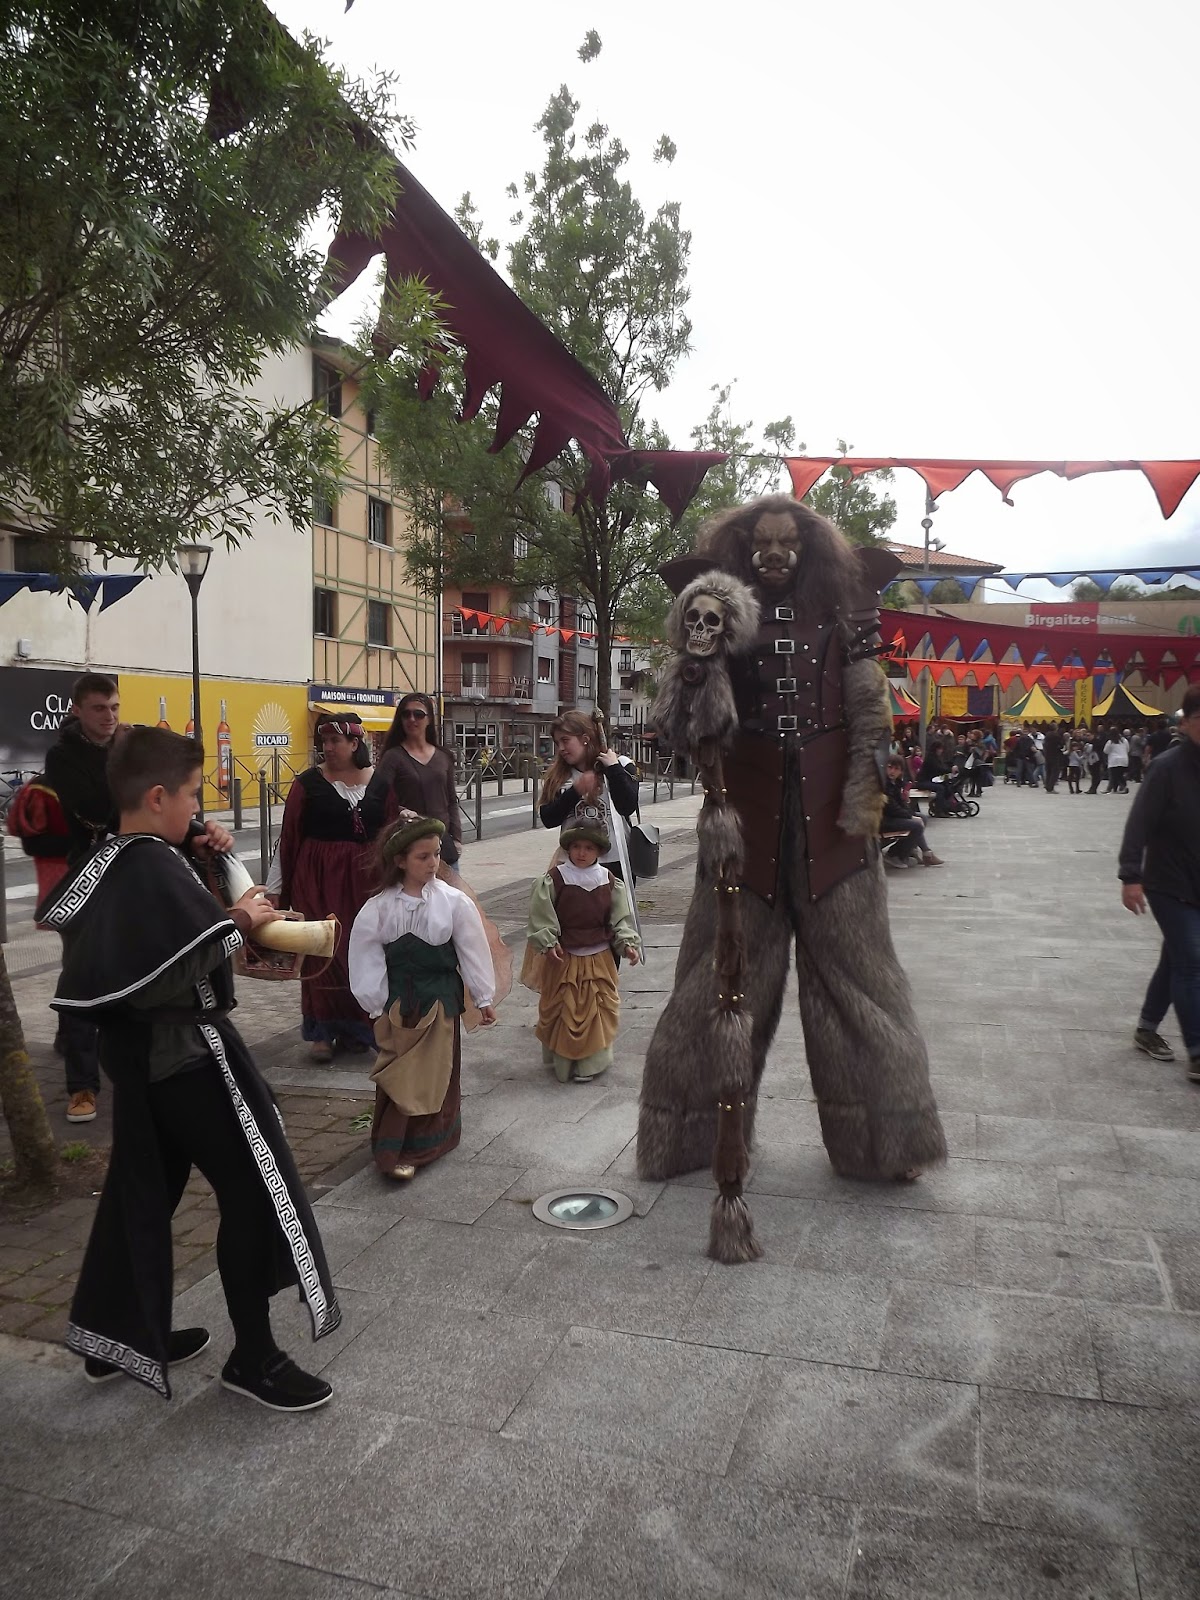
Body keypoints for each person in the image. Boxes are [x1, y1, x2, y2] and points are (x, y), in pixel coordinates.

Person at [641, 495, 946, 1266]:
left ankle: (885, 1139)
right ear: (742, 549)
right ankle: (687, 1135)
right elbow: (677, 729)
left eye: (787, 544)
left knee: (860, 984)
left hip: (834, 827)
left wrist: (866, 804)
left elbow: (871, 717)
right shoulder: (718, 612)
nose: (774, 556)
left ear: (809, 550)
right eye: (761, 544)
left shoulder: (845, 612)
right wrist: (697, 664)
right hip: (742, 827)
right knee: (714, 981)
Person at [41, 728, 340, 1408]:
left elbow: (148, 941)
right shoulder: (149, 863)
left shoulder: (115, 856)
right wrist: (239, 919)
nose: (198, 807)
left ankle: (116, 1336)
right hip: (184, 1059)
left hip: (140, 1063)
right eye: (191, 794)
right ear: (156, 797)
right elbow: (167, 969)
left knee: (143, 1191)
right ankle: (255, 1360)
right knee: (253, 1193)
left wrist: (201, 862)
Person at [348, 816, 496, 1179]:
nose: (433, 863)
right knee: (401, 1072)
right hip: (399, 1005)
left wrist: (483, 996)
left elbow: (473, 950)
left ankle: (425, 1144)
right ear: (400, 860)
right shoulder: (379, 908)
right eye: (423, 857)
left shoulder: (453, 902)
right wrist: (375, 1003)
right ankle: (394, 1143)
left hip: (439, 1003)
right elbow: (365, 956)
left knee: (433, 1072)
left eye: (436, 854)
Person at [268, 713, 376, 1062]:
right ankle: (322, 1033)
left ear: (354, 744)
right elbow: (289, 839)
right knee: (321, 951)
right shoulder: (307, 784)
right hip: (316, 881)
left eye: (335, 741)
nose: (327, 747)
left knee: (360, 951)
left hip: (364, 884)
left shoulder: (380, 783)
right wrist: (275, 889)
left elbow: (391, 833)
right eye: (324, 741)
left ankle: (358, 1030)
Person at [43, 672, 122, 1123]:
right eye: (99, 708)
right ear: (77, 710)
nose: (109, 717)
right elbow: (94, 809)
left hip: (130, 868)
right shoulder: (63, 755)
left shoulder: (125, 745)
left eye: (114, 707)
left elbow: (157, 799)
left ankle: (128, 1063)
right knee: (80, 973)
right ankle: (81, 1086)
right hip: (84, 874)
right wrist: (126, 777)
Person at [1117, 685, 1200, 1083]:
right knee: (1192, 963)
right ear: (1185, 723)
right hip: (1169, 882)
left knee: (1177, 959)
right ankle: (1198, 1050)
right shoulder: (1167, 768)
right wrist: (1130, 876)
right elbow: (1139, 823)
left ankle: (1147, 1028)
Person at [527, 800, 643, 1082]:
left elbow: (619, 918)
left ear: (599, 851)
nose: (581, 853)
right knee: (565, 1009)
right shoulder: (554, 879)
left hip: (598, 958)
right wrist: (548, 941)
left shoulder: (609, 881)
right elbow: (542, 915)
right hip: (564, 957)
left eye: (589, 848)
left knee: (596, 1011)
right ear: (568, 848)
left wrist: (627, 944)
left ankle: (591, 1063)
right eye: (577, 846)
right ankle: (565, 1062)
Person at [538, 709, 640, 883]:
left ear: (585, 739)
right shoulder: (559, 776)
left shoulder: (622, 765)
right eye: (557, 743)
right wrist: (576, 791)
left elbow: (627, 806)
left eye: (565, 740)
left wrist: (613, 769)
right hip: (573, 867)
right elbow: (548, 818)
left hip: (616, 862)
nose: (561, 748)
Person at [367, 693, 462, 872]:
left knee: (452, 890)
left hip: (443, 845)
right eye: (406, 714)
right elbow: (376, 799)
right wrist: (400, 811)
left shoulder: (444, 756)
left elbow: (451, 800)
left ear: (429, 719)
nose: (412, 719)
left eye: (418, 714)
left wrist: (456, 838)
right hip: (409, 846)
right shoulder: (393, 757)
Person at [881, 757, 944, 868]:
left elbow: (901, 805)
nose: (892, 771)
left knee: (922, 818)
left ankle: (914, 852)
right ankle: (895, 855)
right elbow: (891, 808)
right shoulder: (884, 785)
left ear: (901, 771)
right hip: (883, 820)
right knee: (917, 825)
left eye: (896, 769)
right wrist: (910, 816)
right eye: (890, 767)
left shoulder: (896, 783)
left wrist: (910, 812)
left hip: (892, 816)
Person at [1105, 727, 1131, 793]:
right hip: (1124, 759)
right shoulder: (1124, 740)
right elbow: (1128, 749)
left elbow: (1106, 751)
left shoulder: (1110, 742)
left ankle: (1123, 787)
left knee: (1115, 775)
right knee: (1120, 774)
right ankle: (1115, 788)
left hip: (1114, 760)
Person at [1043, 723, 1065, 793]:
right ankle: (1051, 787)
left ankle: (1047, 786)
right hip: (1055, 755)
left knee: (1048, 771)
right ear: (1056, 728)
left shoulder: (1047, 735)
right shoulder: (1056, 735)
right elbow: (1061, 744)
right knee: (1055, 772)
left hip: (1047, 755)